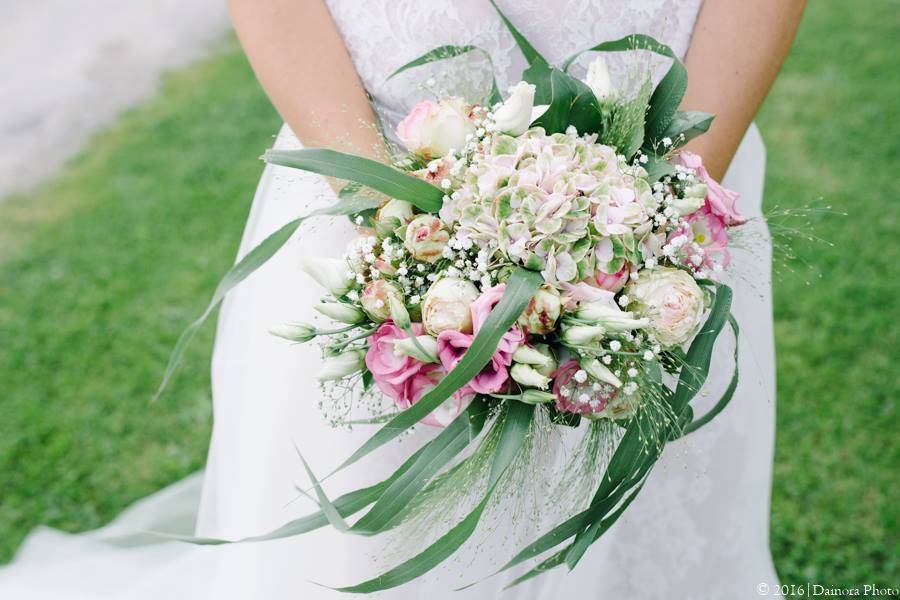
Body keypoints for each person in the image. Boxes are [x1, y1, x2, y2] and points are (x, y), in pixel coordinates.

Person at [0, 1, 805, 597]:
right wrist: (385, 208)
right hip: (374, 176)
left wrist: (661, 210)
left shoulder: (669, 204)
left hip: (674, 167)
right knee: (370, 551)